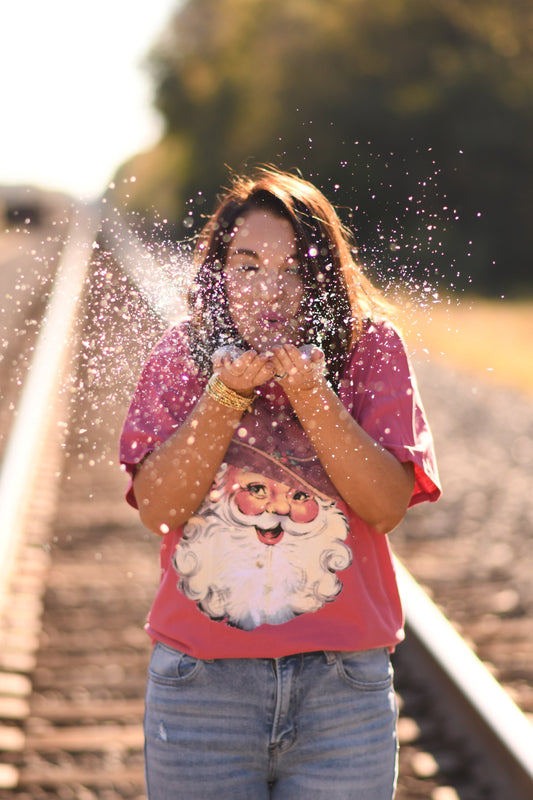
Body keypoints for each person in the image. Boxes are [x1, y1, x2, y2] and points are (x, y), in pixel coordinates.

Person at [119, 166, 441, 800]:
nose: (271, 289)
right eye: (247, 266)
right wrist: (224, 397)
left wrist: (311, 396)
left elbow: (385, 507)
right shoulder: (181, 355)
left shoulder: (368, 348)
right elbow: (159, 509)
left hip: (341, 693)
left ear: (324, 278)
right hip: (201, 691)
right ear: (219, 274)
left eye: (295, 270)